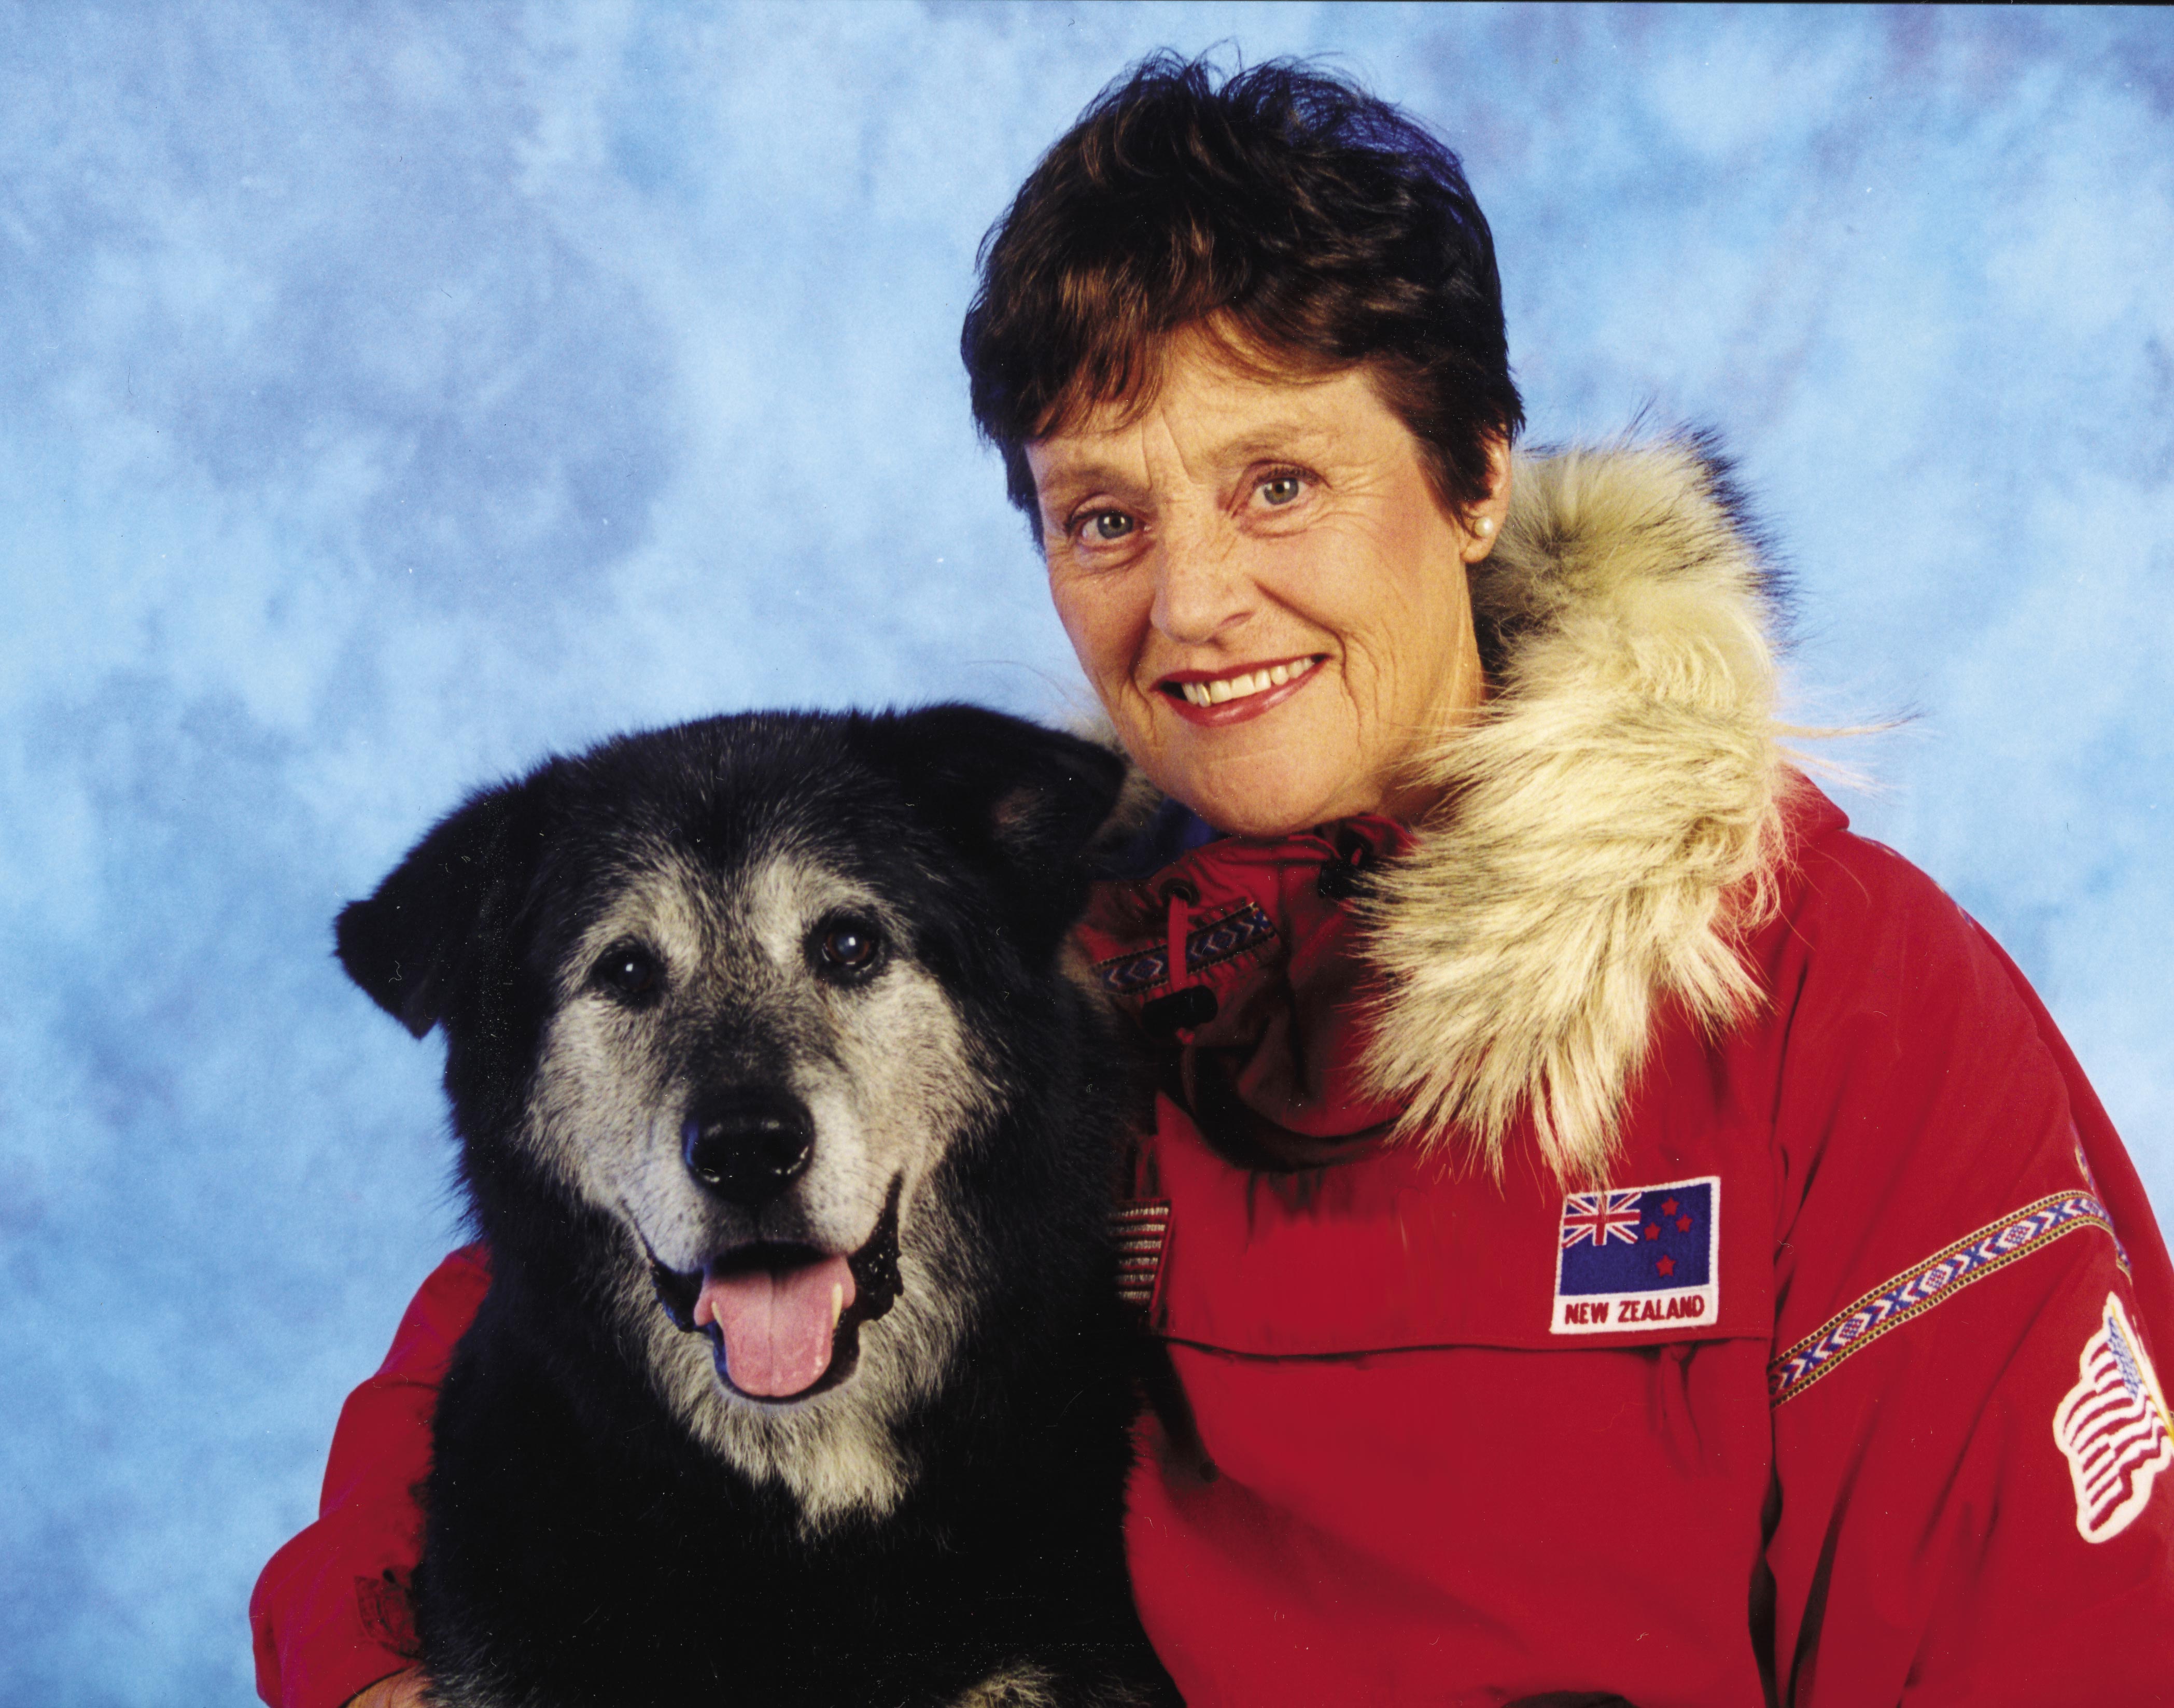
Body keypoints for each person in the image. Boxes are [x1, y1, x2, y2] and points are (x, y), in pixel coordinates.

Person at [253, 55, 2174, 1707]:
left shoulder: (1824, 985)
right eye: (1105, 517)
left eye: (1278, 485)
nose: (1192, 603)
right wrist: (378, 1658)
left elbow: (2054, 1631)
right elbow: (550, 1310)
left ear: (1474, 478)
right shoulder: (1035, 959)